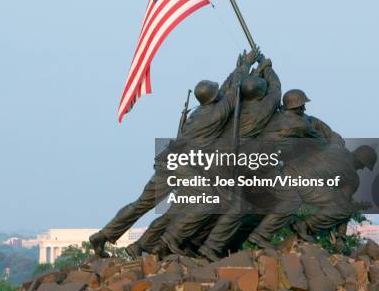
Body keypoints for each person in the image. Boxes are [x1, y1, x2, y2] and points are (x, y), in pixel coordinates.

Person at [89, 49, 257, 257]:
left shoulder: (200, 112)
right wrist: (245, 67)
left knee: (141, 204)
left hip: (168, 160)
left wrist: (237, 68)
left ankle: (103, 235)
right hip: (183, 165)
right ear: (214, 98)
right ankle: (172, 240)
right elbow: (233, 94)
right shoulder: (216, 114)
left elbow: (225, 91)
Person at [147, 55, 282, 256]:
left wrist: (248, 69)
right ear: (261, 95)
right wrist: (267, 67)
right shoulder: (260, 110)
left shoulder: (230, 106)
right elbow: (276, 90)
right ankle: (190, 244)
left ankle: (184, 244)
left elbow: (232, 89)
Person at [197, 89, 338, 260]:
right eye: (303, 106)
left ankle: (215, 246)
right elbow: (321, 143)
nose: (304, 110)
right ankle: (258, 237)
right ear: (298, 107)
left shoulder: (274, 116)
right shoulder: (300, 124)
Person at [292, 145, 377, 247]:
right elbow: (344, 206)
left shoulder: (337, 150)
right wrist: (340, 235)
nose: (362, 168)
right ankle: (304, 226)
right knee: (345, 207)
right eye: (364, 165)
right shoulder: (353, 178)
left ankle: (306, 228)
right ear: (359, 160)